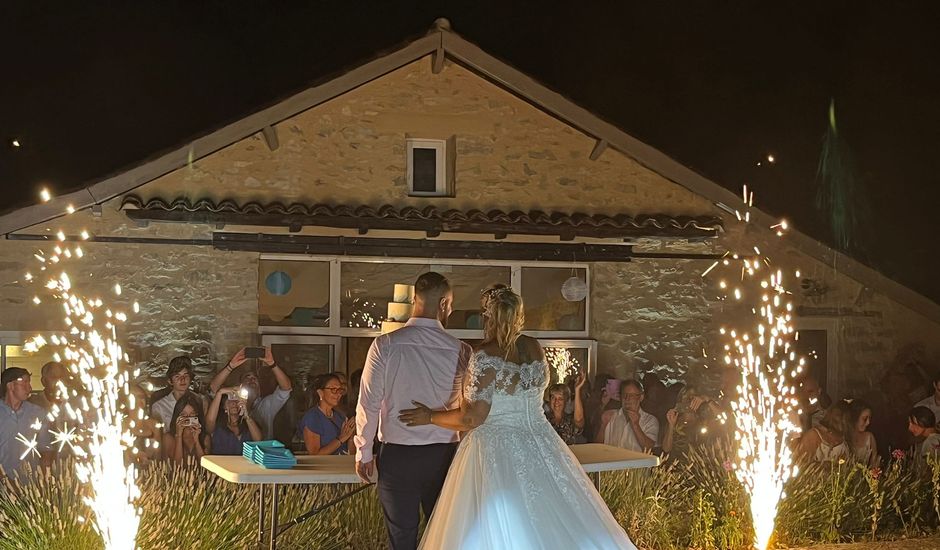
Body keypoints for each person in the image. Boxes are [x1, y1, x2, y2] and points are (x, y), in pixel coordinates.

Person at [399, 284, 636, 549]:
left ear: (488, 316)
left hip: (495, 448)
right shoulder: (534, 348)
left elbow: (471, 418)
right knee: (554, 516)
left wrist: (429, 416)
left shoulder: (485, 356)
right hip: (542, 442)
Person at [355, 272, 473, 550]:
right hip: (444, 454)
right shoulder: (462, 351)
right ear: (444, 304)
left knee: (402, 539)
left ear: (413, 300)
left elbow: (369, 403)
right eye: (452, 304)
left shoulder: (385, 345)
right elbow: (468, 409)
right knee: (444, 535)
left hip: (398, 456)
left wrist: (364, 451)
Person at [209, 346, 292, 441]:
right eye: (247, 378)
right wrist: (230, 366)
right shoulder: (232, 401)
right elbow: (213, 388)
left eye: (255, 378)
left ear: (259, 386)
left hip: (260, 452)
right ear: (240, 385)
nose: (251, 380)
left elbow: (286, 388)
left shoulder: (267, 404)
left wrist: (272, 364)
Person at [1, 368, 52, 477]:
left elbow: (45, 448)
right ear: (10, 386)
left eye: (29, 383)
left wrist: (45, 477)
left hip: (30, 486)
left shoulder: (37, 413)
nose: (29, 388)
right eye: (24, 383)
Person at [300, 374, 355, 455]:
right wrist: (341, 438)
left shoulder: (340, 416)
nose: (338, 394)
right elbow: (315, 455)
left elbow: (351, 453)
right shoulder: (313, 417)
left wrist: (351, 436)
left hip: (342, 465)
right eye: (333, 389)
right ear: (320, 393)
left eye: (340, 390)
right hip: (324, 466)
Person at [601, 380, 660, 452]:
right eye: (624, 395)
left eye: (631, 395)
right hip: (611, 462)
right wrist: (603, 425)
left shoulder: (650, 420)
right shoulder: (611, 416)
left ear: (641, 397)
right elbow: (597, 447)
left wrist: (635, 425)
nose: (627, 399)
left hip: (635, 463)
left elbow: (649, 449)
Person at [150, 356, 206, 428]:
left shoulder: (200, 400)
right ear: (170, 381)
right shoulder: (159, 406)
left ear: (191, 378)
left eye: (186, 375)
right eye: (177, 376)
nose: (182, 379)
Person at [206, 386, 262, 455]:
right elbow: (209, 422)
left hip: (244, 465)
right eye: (230, 399)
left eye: (237, 399)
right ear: (224, 406)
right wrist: (220, 393)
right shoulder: (218, 426)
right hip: (221, 464)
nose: (234, 403)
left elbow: (258, 440)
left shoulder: (249, 425)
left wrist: (246, 415)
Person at [162, 392, 210, 464]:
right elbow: (177, 465)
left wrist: (197, 440)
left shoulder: (205, 437)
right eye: (183, 415)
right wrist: (179, 436)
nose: (188, 419)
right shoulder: (168, 437)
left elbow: (206, 466)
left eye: (192, 414)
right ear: (177, 416)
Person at [545, 372, 586, 445]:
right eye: (553, 397)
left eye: (560, 398)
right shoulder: (543, 419)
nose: (556, 401)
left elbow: (579, 420)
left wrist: (577, 390)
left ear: (566, 401)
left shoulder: (569, 421)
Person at [847, 399, 879, 468]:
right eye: (864, 419)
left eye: (869, 418)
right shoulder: (843, 437)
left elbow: (874, 465)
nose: (868, 423)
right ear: (854, 417)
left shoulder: (869, 437)